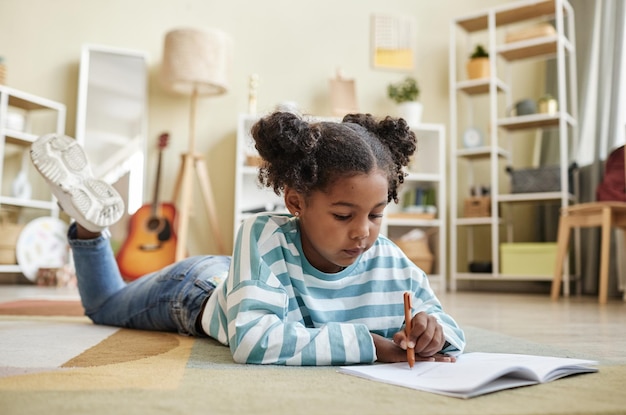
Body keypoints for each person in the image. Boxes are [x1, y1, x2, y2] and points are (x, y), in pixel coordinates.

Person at [30, 111, 465, 366]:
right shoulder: (262, 234)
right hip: (195, 292)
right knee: (104, 306)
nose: (363, 231)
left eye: (376, 214)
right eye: (343, 214)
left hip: (245, 280)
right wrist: (370, 344)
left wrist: (432, 332)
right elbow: (253, 341)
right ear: (295, 202)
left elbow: (448, 330)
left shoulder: (387, 258)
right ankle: (89, 225)